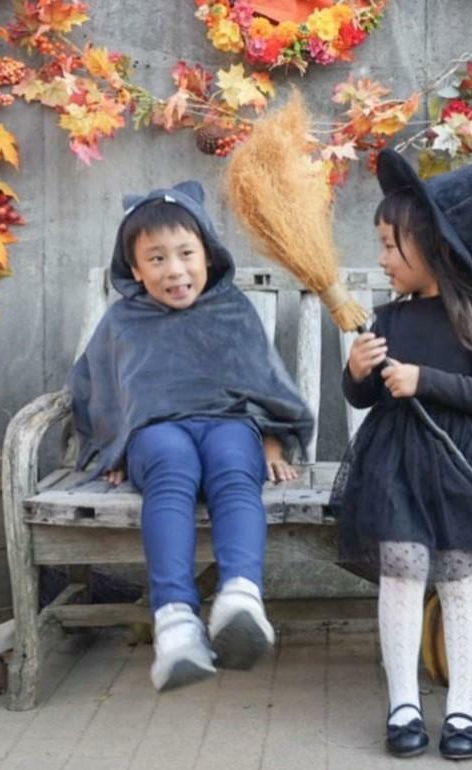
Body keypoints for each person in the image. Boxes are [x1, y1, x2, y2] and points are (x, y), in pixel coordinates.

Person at [333, 139, 472, 760]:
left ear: (431, 247)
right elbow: (360, 399)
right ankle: (403, 699)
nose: (380, 257)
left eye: (388, 245)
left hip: (464, 466)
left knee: (460, 578)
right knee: (402, 572)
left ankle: (463, 705)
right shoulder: (387, 319)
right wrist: (357, 370)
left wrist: (423, 380)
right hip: (398, 465)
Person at [69, 180, 314, 691]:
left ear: (208, 254)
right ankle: (175, 620)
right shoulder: (124, 321)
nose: (174, 270)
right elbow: (104, 389)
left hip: (229, 423)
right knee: (171, 469)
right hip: (157, 434)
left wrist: (272, 442)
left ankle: (240, 597)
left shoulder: (232, 311)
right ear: (135, 269)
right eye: (156, 259)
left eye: (186, 254)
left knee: (232, 469)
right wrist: (115, 446)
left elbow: (264, 383)